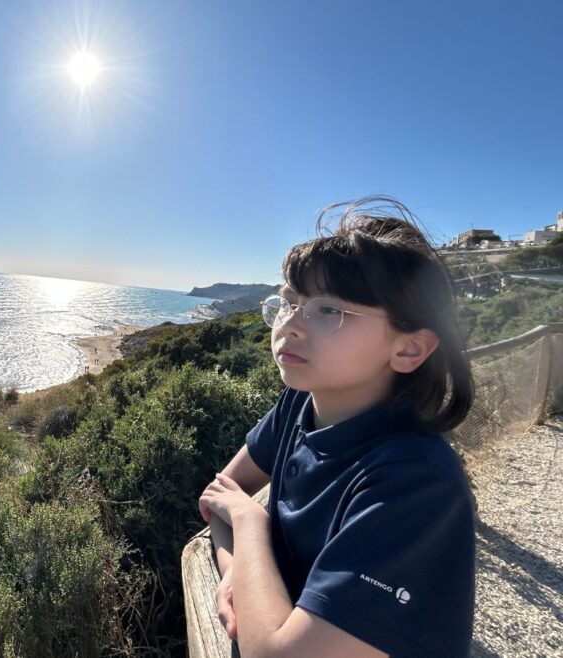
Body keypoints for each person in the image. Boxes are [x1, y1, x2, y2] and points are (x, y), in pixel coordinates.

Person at [198, 197, 475, 658]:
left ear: (408, 349)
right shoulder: (299, 403)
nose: (290, 324)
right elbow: (218, 496)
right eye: (288, 302)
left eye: (328, 311)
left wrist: (249, 521)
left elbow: (276, 655)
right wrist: (238, 576)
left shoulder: (417, 486)